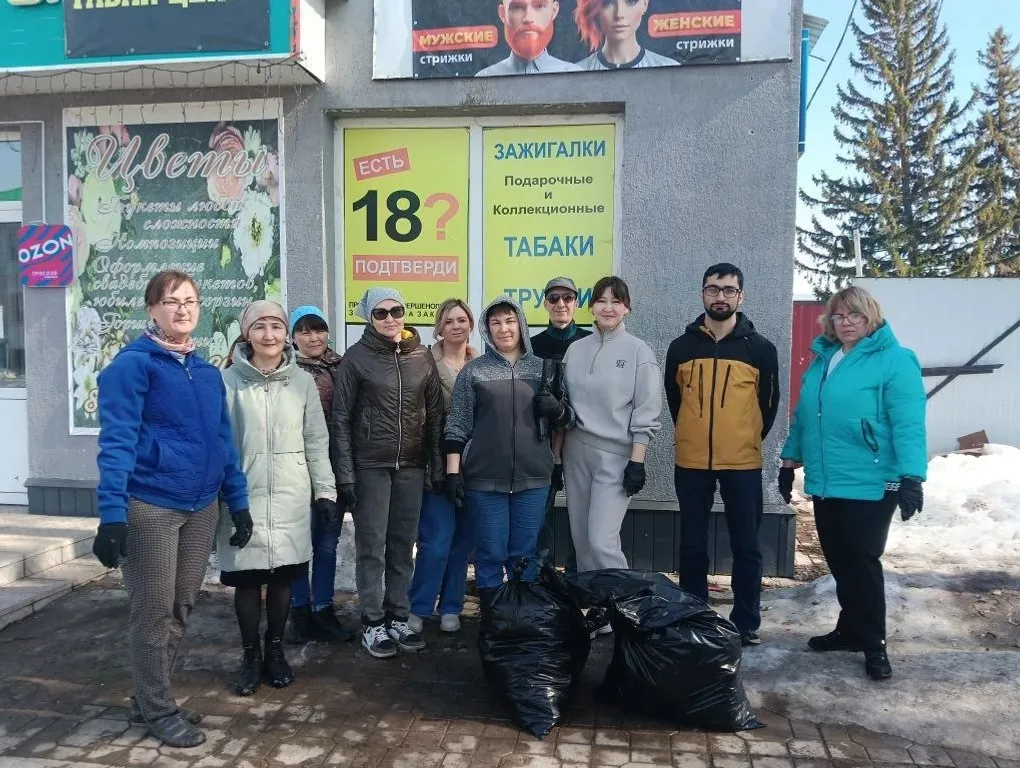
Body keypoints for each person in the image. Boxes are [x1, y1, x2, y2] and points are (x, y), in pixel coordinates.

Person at [93, 270, 249, 749]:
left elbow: (223, 441)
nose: (183, 309)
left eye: (190, 301)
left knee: (181, 606)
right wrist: (111, 514)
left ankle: (149, 698)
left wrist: (238, 500)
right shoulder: (132, 366)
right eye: (171, 301)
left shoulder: (206, 372)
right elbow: (116, 442)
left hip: (201, 506)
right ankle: (159, 710)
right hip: (151, 506)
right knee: (153, 612)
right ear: (152, 309)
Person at [779, 286, 926, 681]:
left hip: (872, 481)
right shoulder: (824, 359)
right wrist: (789, 461)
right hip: (827, 481)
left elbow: (909, 423)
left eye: (855, 315)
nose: (846, 323)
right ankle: (851, 630)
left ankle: (874, 644)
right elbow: (806, 416)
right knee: (841, 560)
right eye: (839, 316)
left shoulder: (895, 360)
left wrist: (912, 475)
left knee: (862, 562)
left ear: (870, 316)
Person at [218, 301, 338, 697]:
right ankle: (250, 654)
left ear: (286, 333)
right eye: (260, 327)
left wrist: (325, 492)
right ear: (247, 333)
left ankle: (275, 650)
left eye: (276, 326)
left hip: (290, 492)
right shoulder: (227, 381)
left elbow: (316, 440)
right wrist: (228, 496)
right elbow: (220, 443)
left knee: (284, 576)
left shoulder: (301, 381)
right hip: (244, 493)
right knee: (248, 579)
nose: (269, 335)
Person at [664, 263, 780, 647]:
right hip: (691, 462)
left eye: (729, 290)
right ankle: (694, 615)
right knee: (692, 544)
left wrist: (743, 438)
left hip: (742, 463)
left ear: (740, 297)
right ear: (702, 294)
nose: (720, 296)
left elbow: (769, 405)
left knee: (746, 545)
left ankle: (746, 621)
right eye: (713, 289)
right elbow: (675, 400)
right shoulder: (681, 347)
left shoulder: (761, 349)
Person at [331, 288, 444, 659]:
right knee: (372, 548)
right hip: (371, 467)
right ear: (369, 317)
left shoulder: (421, 357)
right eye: (381, 313)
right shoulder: (356, 358)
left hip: (411, 464)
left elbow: (435, 417)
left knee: (402, 546)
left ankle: (398, 614)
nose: (390, 318)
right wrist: (346, 476)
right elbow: (341, 419)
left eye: (396, 310)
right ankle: (373, 621)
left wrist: (435, 466)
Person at [444, 295, 571, 600]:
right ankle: (493, 614)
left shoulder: (545, 370)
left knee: (524, 554)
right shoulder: (474, 371)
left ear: (521, 325)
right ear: (487, 329)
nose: (504, 328)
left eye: (510, 321)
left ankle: (520, 613)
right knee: (490, 551)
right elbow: (457, 424)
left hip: (534, 479)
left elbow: (568, 419)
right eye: (496, 322)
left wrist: (556, 410)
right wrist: (453, 473)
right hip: (485, 480)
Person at [561, 276, 662, 637]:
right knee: (582, 540)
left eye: (615, 301)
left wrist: (637, 460)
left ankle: (629, 610)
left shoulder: (639, 352)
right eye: (601, 301)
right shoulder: (576, 350)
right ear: (591, 307)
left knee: (602, 540)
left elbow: (647, 409)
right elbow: (564, 404)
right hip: (575, 452)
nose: (608, 307)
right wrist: (557, 458)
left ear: (626, 308)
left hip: (616, 457)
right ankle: (599, 611)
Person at [407, 299, 481, 635]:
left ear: (471, 325)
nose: (455, 326)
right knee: (435, 540)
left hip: (475, 465)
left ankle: (451, 605)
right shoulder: (424, 362)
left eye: (462, 319)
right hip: (435, 464)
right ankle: (420, 606)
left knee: (462, 542)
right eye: (448, 320)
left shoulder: (481, 364)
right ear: (438, 327)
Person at [284, 305, 354, 645]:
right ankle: (298, 611)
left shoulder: (342, 366)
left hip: (335, 468)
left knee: (327, 543)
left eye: (319, 329)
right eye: (304, 331)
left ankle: (323, 609)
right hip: (296, 469)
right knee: (298, 543)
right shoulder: (285, 370)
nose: (313, 337)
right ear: (293, 337)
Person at [531, 276, 591, 569]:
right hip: (543, 441)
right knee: (540, 514)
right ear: (545, 303)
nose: (561, 304)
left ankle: (577, 575)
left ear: (577, 303)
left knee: (583, 512)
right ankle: (540, 576)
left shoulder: (590, 342)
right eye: (553, 298)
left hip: (584, 438)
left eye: (567, 298)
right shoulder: (533, 345)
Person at [476, 0, 583, 76]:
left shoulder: (575, 76)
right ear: (503, 14)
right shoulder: (484, 79)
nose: (528, 18)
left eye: (540, 6)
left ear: (553, 11)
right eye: (517, 7)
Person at [574, 0, 680, 70]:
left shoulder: (669, 68)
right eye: (608, 2)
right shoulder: (578, 71)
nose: (619, 14)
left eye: (630, 1)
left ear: (645, 4)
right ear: (595, 9)